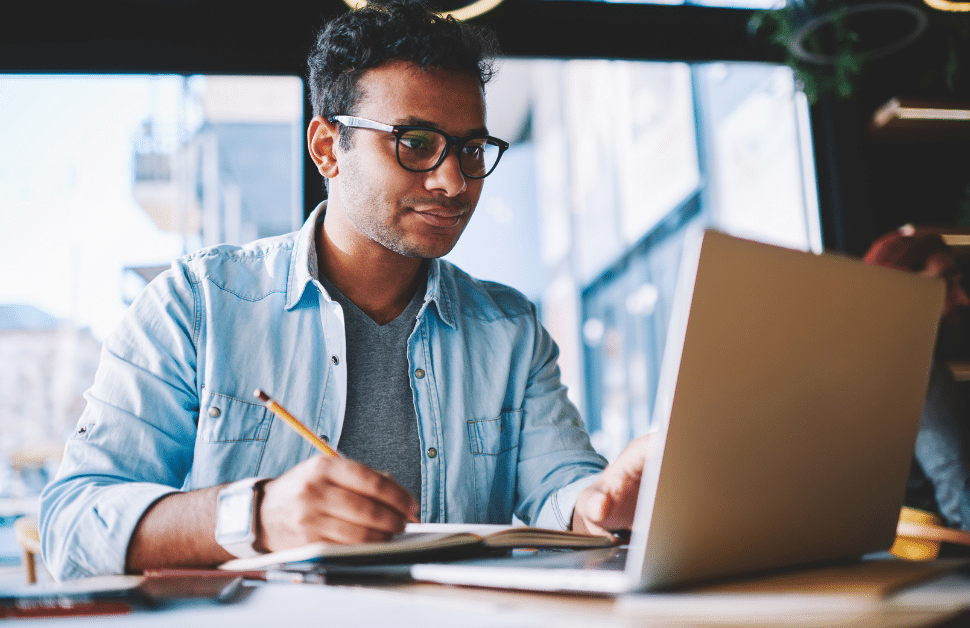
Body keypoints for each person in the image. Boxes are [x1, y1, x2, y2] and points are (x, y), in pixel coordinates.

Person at [40, 1, 650, 580]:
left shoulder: (510, 329)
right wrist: (256, 517)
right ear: (328, 148)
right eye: (415, 143)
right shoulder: (194, 305)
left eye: (470, 149)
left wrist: (602, 501)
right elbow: (70, 526)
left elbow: (564, 487)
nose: (452, 181)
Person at [862, 226, 970, 529]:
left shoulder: (868, 362)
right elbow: (957, 492)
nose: (963, 298)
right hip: (930, 554)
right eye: (946, 282)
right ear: (900, 288)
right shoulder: (914, 364)